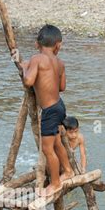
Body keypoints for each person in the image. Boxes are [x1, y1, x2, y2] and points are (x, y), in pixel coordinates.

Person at [20, 25, 73, 197]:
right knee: (57, 142)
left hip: (49, 111)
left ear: (37, 44)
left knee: (47, 149)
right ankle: (68, 171)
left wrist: (25, 66)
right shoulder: (60, 63)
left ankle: (56, 183)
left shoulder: (37, 59)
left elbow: (28, 81)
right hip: (59, 106)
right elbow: (62, 87)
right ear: (58, 45)